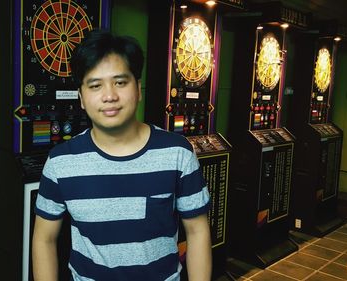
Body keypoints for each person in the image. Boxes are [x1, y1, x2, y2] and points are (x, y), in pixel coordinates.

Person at [32, 29, 212, 281]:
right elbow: (44, 238)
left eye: (120, 82)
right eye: (95, 85)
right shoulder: (61, 162)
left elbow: (197, 231)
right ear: (81, 98)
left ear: (138, 89)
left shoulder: (177, 152)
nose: (109, 96)